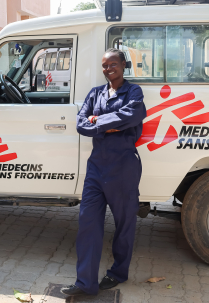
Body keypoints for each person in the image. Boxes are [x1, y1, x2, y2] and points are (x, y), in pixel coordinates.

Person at [61, 48, 147, 296]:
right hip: (96, 167)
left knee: (124, 224)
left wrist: (97, 122)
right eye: (105, 65)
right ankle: (85, 283)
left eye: (113, 64)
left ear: (123, 65)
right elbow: (80, 123)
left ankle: (118, 272)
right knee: (88, 223)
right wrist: (110, 125)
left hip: (123, 167)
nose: (109, 69)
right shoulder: (95, 93)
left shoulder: (134, 92)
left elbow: (133, 115)